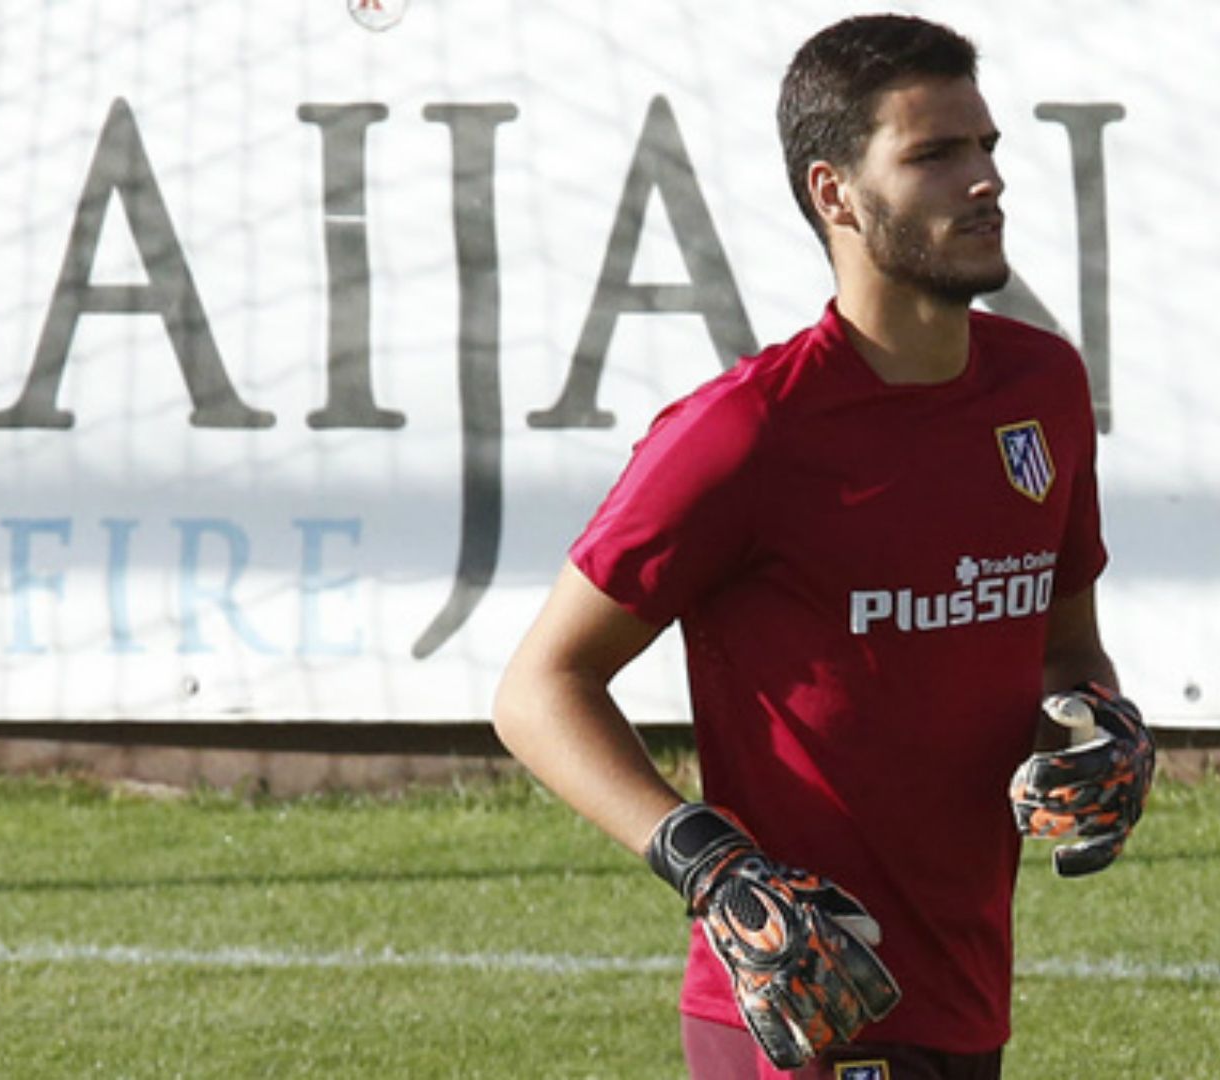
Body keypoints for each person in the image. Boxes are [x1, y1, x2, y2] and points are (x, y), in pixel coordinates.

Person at [490, 13, 1153, 1079]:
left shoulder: (1044, 389)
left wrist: (1100, 733)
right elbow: (538, 688)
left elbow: (1064, 651)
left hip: (967, 999)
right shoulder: (746, 432)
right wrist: (711, 867)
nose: (983, 180)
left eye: (985, 147)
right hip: (806, 1010)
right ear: (834, 193)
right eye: (934, 154)